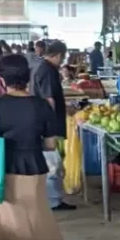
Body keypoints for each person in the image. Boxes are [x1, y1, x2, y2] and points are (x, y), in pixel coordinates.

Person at [0, 52, 65, 240]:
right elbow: (51, 145)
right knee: (30, 223)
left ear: (1, 78)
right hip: (34, 169)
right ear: (27, 76)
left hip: (4, 170)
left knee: (7, 224)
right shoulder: (42, 105)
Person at [31, 39, 74, 211]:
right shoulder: (48, 71)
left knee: (50, 163)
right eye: (62, 58)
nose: (63, 61)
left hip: (41, 122)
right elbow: (49, 100)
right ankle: (53, 201)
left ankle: (49, 198)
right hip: (47, 125)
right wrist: (51, 127)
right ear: (57, 55)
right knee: (53, 164)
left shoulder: (40, 67)